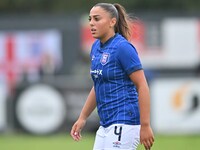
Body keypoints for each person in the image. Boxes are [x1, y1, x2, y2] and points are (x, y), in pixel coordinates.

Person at [71, 3, 154, 150]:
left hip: (125, 121)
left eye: (97, 19)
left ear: (112, 22)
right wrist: (82, 117)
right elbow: (98, 86)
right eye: (90, 19)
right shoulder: (95, 48)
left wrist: (145, 125)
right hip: (105, 125)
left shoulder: (123, 48)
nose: (91, 23)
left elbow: (142, 85)